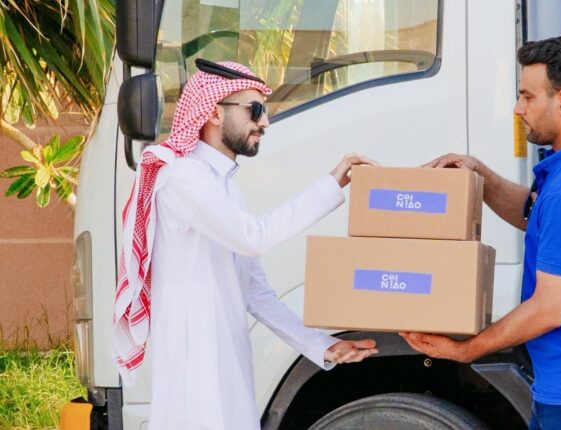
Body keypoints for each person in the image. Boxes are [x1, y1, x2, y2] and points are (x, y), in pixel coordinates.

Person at [400, 35, 561, 430]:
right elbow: (535, 214)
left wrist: (467, 350)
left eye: (527, 97)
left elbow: (548, 310)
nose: (518, 109)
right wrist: (480, 177)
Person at [112, 59, 378, 429]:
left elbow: (257, 293)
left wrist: (321, 346)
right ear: (213, 113)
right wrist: (331, 184)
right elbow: (254, 238)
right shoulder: (181, 178)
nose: (264, 123)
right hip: (194, 375)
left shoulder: (225, 188)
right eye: (254, 110)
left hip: (228, 367)